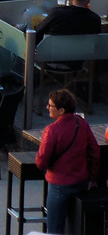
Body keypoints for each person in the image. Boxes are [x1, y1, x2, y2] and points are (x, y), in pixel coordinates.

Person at [37, 89, 100, 233]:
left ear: (61, 110)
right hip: (81, 181)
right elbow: (94, 151)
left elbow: (41, 161)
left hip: (59, 184)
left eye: (50, 105)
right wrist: (93, 177)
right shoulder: (81, 123)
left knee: (54, 228)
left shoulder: (52, 130)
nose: (47, 107)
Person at [36, 0, 102, 47]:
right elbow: (97, 44)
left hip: (56, 55)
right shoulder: (95, 19)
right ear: (89, 0)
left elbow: (38, 32)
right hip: (83, 56)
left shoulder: (56, 13)